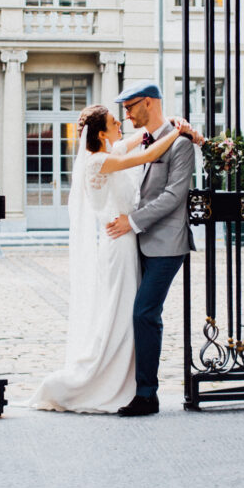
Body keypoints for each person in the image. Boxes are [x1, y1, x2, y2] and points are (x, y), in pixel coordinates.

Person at [30, 103, 191, 414]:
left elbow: (142, 139)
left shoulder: (111, 149)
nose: (121, 124)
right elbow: (145, 155)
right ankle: (101, 379)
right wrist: (178, 133)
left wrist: (168, 123)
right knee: (119, 312)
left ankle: (129, 380)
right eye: (115, 122)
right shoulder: (98, 161)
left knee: (128, 313)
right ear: (102, 133)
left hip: (128, 242)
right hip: (118, 244)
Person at [107, 81, 199, 418]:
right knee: (138, 314)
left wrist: (130, 221)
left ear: (148, 102)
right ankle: (134, 387)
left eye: (131, 107)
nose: (126, 114)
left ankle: (147, 394)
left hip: (167, 244)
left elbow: (174, 197)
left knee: (145, 313)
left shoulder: (181, 144)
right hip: (139, 243)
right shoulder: (147, 139)